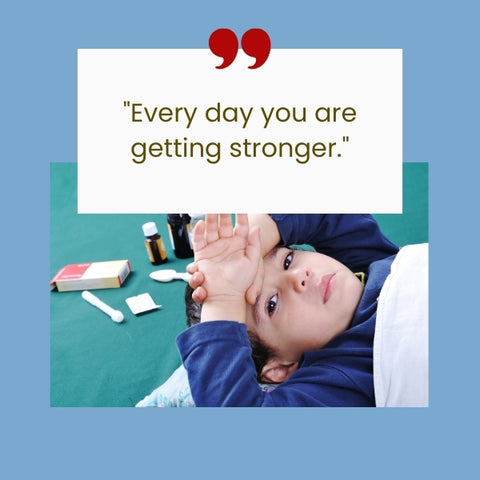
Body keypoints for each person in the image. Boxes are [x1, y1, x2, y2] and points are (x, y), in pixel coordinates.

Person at [176, 214, 428, 407]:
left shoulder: (369, 262)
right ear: (280, 369)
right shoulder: (341, 379)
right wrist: (222, 299)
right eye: (271, 304)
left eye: (287, 260)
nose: (299, 275)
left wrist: (255, 238)